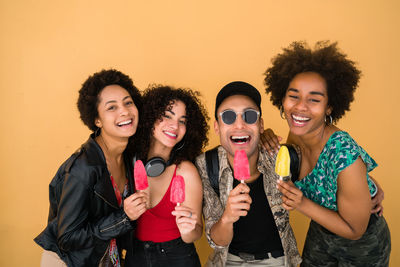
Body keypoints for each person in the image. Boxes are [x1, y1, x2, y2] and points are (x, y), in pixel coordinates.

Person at [264, 41, 391, 266]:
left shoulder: (344, 154)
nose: (300, 107)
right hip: (321, 231)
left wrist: (301, 204)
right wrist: (266, 136)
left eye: (314, 99)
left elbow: (354, 230)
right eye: (294, 96)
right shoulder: (298, 133)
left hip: (362, 245)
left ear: (329, 107)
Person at [34, 69, 148, 267]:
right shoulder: (82, 168)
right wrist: (123, 217)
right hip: (68, 262)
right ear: (97, 120)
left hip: (103, 259)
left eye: (128, 102)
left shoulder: (129, 156)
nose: (124, 111)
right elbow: (68, 238)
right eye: (111, 107)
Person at [195, 81, 302, 267]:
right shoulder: (206, 165)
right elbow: (216, 241)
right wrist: (228, 216)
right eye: (228, 117)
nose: (239, 124)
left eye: (249, 116)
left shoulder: (281, 157)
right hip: (227, 260)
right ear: (217, 127)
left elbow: (324, 169)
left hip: (277, 261)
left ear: (261, 125)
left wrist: (370, 187)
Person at [125, 85, 209, 267]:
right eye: (167, 116)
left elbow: (196, 233)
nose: (175, 126)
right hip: (135, 256)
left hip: (177, 256)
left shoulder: (185, 171)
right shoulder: (128, 162)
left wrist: (188, 230)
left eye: (182, 121)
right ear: (150, 117)